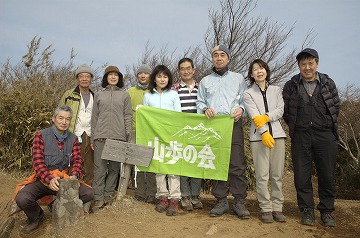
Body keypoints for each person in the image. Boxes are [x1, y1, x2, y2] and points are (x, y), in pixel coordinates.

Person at [14, 105, 94, 235]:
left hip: (64, 180)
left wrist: (74, 176)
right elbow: (38, 163)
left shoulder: (73, 138)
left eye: (67, 119)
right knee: (22, 198)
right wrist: (50, 179)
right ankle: (36, 217)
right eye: (60, 118)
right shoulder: (41, 135)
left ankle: (55, 205)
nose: (64, 122)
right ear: (53, 119)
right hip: (44, 179)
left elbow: (77, 161)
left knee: (89, 193)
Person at [283, 48, 340, 227]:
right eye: (303, 64)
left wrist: (324, 123)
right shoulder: (291, 85)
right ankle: (307, 210)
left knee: (327, 174)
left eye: (310, 63)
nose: (307, 67)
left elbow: (336, 106)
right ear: (299, 66)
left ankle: (327, 210)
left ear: (316, 63)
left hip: (325, 134)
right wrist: (298, 125)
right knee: (301, 174)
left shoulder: (327, 82)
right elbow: (286, 111)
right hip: (300, 134)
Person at [196, 44, 250, 219]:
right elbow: (200, 102)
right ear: (212, 59)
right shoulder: (205, 81)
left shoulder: (238, 79)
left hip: (232, 124)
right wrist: (205, 109)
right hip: (213, 126)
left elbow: (245, 100)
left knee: (236, 163)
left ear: (228, 58)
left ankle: (239, 200)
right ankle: (221, 200)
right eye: (215, 55)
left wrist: (241, 109)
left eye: (222, 55)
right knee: (217, 163)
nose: (219, 58)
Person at [243, 59, 287, 223]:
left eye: (261, 68)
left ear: (266, 71)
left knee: (277, 175)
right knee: (262, 175)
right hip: (258, 138)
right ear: (251, 74)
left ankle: (277, 207)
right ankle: (266, 208)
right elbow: (254, 116)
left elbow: (280, 110)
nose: (259, 71)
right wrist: (263, 132)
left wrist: (267, 116)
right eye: (255, 69)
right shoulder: (248, 93)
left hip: (278, 136)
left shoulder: (276, 90)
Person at [90, 66, 132, 211]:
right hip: (100, 137)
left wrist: (127, 135)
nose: (113, 77)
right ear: (106, 78)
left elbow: (127, 116)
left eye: (116, 75)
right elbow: (94, 118)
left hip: (118, 138)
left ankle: (108, 195)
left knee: (114, 169)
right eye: (110, 75)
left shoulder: (125, 95)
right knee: (99, 169)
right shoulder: (99, 95)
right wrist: (92, 138)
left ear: (119, 78)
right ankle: (98, 198)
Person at [143, 65, 182, 216]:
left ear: (169, 79)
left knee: (172, 168)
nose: (162, 79)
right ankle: (162, 198)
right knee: (159, 167)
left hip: (171, 135)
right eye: (159, 76)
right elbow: (145, 115)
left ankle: (174, 200)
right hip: (155, 136)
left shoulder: (173, 95)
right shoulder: (148, 96)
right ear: (154, 78)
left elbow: (178, 115)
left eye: (165, 76)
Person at [171, 58, 203, 211]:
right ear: (179, 71)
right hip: (180, 129)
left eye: (188, 68)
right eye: (182, 68)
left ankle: (195, 195)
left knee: (197, 163)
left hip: (199, 129)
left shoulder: (201, 87)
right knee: (183, 163)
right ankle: (184, 196)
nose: (185, 71)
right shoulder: (174, 89)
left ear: (193, 70)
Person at [59, 64, 95, 185]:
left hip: (89, 134)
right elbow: (59, 113)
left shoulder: (95, 96)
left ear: (91, 79)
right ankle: (66, 189)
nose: (84, 79)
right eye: (81, 76)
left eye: (87, 76)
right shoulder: (69, 94)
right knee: (71, 162)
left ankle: (88, 190)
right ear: (77, 78)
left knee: (90, 165)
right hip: (72, 133)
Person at [128, 64, 157, 204]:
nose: (143, 75)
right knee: (138, 163)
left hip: (152, 131)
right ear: (137, 75)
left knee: (151, 162)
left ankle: (152, 192)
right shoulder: (130, 91)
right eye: (140, 73)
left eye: (146, 73)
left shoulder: (155, 92)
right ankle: (139, 192)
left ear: (150, 76)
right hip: (135, 131)